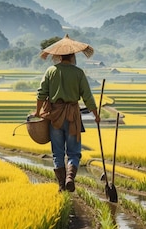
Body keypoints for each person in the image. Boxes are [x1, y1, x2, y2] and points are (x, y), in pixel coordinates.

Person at [35, 35, 100, 192]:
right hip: (72, 116)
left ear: (58, 56)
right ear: (72, 56)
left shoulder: (51, 71)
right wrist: (95, 114)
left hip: (55, 116)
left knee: (57, 153)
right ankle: (70, 177)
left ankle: (61, 184)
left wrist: (38, 112)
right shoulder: (78, 73)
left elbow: (41, 94)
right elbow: (87, 96)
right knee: (74, 152)